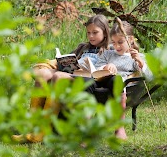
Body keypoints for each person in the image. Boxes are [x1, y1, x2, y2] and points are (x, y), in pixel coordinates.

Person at [12, 14, 110, 143]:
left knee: (58, 76)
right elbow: (68, 59)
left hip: (88, 79)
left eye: (95, 33)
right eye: (88, 33)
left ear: (105, 32)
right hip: (72, 73)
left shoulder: (109, 50)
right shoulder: (83, 47)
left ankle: (43, 131)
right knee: (42, 74)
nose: (91, 36)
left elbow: (114, 66)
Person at [86, 19, 153, 140]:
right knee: (86, 82)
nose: (116, 46)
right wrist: (106, 67)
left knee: (116, 79)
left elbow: (149, 76)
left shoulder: (134, 57)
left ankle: (119, 127)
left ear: (130, 40)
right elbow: (96, 69)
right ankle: (86, 129)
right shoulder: (108, 54)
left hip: (119, 86)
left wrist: (141, 63)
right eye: (114, 42)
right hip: (101, 81)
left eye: (120, 42)